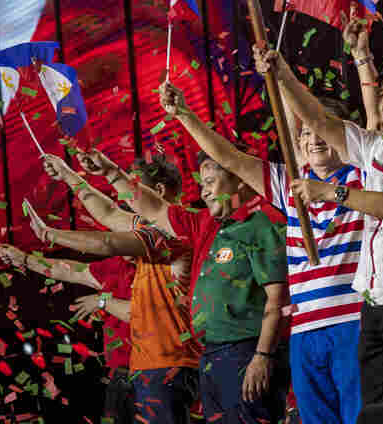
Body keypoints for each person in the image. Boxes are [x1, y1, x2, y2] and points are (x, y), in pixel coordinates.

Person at [156, 11, 375, 424]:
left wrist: (288, 74)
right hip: (306, 330)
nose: (312, 141)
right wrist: (183, 115)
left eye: (319, 133)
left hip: (351, 319)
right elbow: (230, 159)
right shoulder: (289, 183)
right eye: (304, 135)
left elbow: (363, 122)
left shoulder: (364, 173)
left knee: (358, 418)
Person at [258, 45, 383, 405]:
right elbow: (320, 122)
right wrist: (282, 73)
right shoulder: (377, 148)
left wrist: (332, 192)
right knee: (377, 409)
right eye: (380, 95)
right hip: (374, 300)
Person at [70, 145, 289, 424]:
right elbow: (154, 208)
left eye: (210, 182)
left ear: (240, 177)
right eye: (202, 184)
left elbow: (278, 299)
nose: (204, 191)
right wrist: (110, 172)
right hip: (211, 356)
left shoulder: (262, 221)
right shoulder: (206, 223)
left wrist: (262, 355)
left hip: (246, 354)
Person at [14, 153, 201, 424]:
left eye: (131, 193)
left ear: (158, 191)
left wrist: (49, 235)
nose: (125, 202)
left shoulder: (174, 230)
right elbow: (108, 213)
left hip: (168, 365)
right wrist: (67, 174)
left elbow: (107, 243)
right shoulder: (149, 227)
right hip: (149, 364)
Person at [0, 244, 135, 423]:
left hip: (155, 367)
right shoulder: (113, 266)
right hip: (119, 372)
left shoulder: (164, 267)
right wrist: (24, 258)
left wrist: (102, 302)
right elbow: (68, 270)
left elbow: (148, 312)